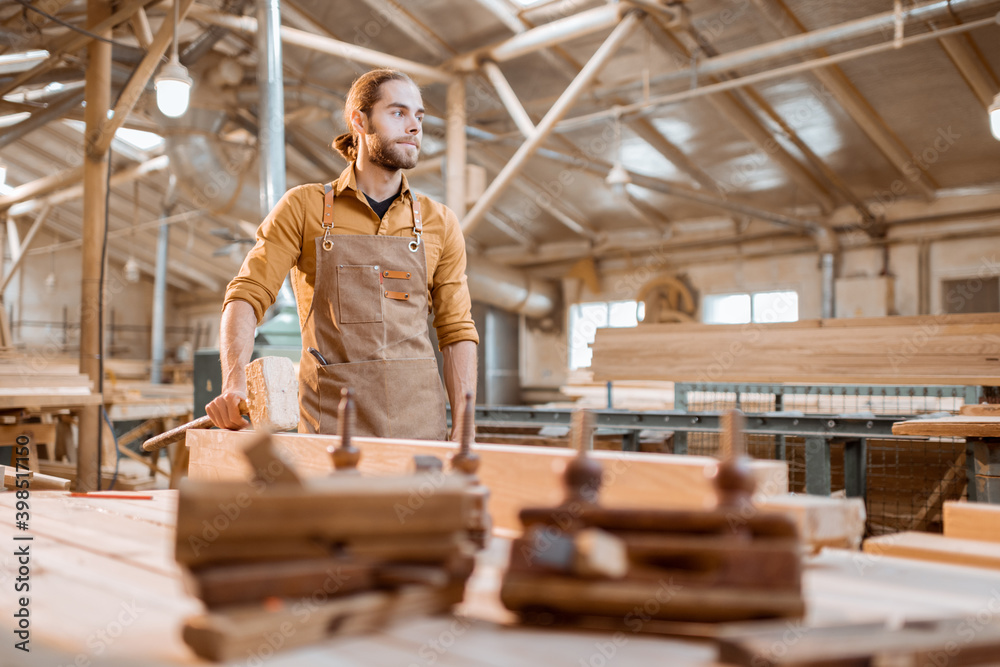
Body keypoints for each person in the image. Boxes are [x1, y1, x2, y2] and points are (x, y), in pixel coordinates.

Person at [205, 68, 478, 441]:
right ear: (359, 121)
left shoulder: (440, 222)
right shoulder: (305, 206)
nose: (414, 126)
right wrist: (234, 382)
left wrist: (464, 425)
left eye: (419, 115)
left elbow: (456, 330)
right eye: (398, 113)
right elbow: (247, 294)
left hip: (420, 428)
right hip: (329, 426)